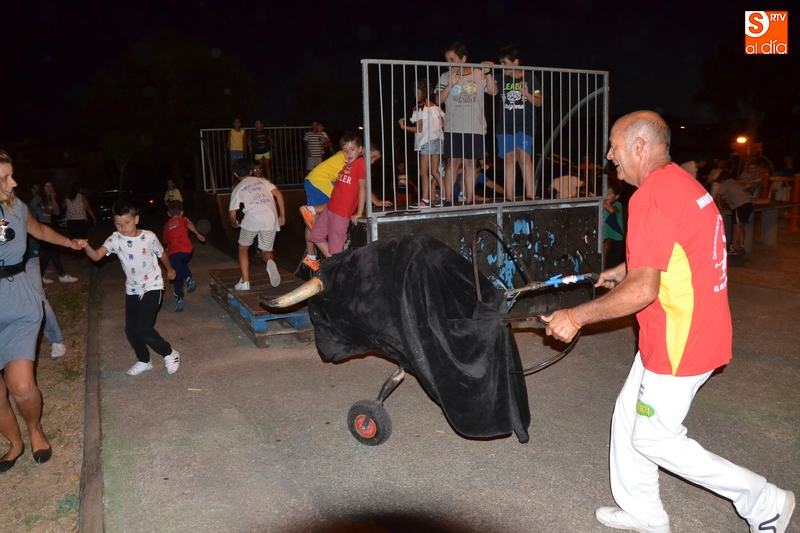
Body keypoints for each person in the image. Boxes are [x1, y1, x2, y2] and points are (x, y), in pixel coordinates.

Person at [542, 111, 794, 533]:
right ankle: (644, 512)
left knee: (654, 438)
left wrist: (575, 317)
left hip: (680, 340)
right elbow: (674, 249)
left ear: (639, 147)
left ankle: (764, 501)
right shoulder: (682, 183)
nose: (609, 156)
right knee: (627, 417)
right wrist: (626, 268)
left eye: (614, 146)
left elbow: (644, 290)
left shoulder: (650, 196)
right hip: (688, 329)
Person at [0, 150, 83, 472]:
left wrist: (68, 243)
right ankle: (14, 443)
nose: (13, 183)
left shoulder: (16, 207)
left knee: (21, 386)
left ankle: (35, 430)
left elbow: (40, 231)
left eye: (11, 175)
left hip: (18, 300)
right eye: (5, 178)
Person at [80, 200, 181, 376]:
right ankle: (144, 360)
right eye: (118, 223)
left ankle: (169, 353)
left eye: (127, 222)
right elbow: (96, 256)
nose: (123, 227)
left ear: (136, 219)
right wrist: (86, 245)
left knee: (143, 327)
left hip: (153, 285)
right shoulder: (115, 238)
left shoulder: (149, 237)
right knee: (131, 330)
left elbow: (162, 254)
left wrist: (170, 270)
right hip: (132, 289)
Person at [299, 147, 390, 271]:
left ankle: (311, 257)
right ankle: (311, 209)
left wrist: (375, 201)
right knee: (339, 199)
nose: (372, 162)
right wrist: (365, 207)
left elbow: (361, 185)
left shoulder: (349, 156)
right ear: (362, 149)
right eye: (372, 157)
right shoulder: (354, 160)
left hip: (312, 180)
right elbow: (362, 186)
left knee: (314, 222)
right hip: (321, 180)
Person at [435, 42, 497, 205]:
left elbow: (493, 92)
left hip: (475, 126)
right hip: (453, 126)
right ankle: (448, 198)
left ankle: (470, 198)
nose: (449, 63)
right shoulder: (445, 76)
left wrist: (488, 73)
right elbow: (438, 100)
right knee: (452, 162)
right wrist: (450, 85)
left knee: (470, 163)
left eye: (452, 59)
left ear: (463, 59)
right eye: (447, 60)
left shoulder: (479, 73)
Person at [21, 186, 67, 360]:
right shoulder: (34, 201)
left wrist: (68, 243)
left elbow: (41, 227)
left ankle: (56, 340)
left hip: (29, 257)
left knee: (39, 299)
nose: (13, 184)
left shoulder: (21, 206)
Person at [308, 133, 367, 259]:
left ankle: (336, 266)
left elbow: (363, 188)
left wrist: (359, 212)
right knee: (316, 236)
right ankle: (334, 264)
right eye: (345, 150)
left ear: (360, 149)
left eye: (352, 149)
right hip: (330, 208)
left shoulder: (360, 163)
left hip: (341, 212)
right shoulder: (347, 165)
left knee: (335, 249)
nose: (349, 153)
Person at [228, 160, 285, 290]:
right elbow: (278, 194)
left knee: (243, 248)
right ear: (250, 171)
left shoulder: (238, 188)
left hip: (253, 219)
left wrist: (234, 223)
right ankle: (269, 262)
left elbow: (232, 214)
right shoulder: (263, 181)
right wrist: (282, 215)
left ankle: (245, 282)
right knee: (266, 251)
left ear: (235, 174)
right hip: (270, 218)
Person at [495, 45, 542, 201]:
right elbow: (491, 91)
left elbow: (539, 102)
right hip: (505, 125)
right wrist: (487, 73)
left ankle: (530, 194)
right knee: (509, 158)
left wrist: (526, 94)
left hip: (525, 124)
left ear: (515, 62)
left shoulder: (530, 78)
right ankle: (509, 196)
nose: (502, 66)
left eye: (505, 63)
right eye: (500, 63)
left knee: (524, 157)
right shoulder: (500, 77)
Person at [398, 78, 445, 207]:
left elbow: (419, 128)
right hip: (438, 141)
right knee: (435, 171)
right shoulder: (437, 108)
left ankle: (425, 200)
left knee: (423, 172)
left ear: (420, 92)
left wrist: (404, 127)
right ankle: (445, 197)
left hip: (426, 141)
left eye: (415, 92)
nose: (415, 95)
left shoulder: (420, 109)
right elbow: (442, 125)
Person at [163, 200, 206, 312]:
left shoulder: (167, 225)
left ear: (168, 213)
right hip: (187, 251)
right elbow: (190, 225)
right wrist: (198, 234)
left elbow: (166, 240)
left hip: (174, 253)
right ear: (182, 212)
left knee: (177, 275)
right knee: (181, 265)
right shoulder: (183, 219)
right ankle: (189, 279)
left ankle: (180, 297)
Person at [30, 182, 77, 283]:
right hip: (40, 226)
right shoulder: (38, 198)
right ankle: (59, 275)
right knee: (49, 251)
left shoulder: (50, 199)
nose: (50, 188)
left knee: (52, 251)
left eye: (51, 186)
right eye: (47, 186)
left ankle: (48, 276)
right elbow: (28, 210)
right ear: (42, 188)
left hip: (49, 226)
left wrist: (53, 199)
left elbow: (57, 212)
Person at [715, 171, 753, 256]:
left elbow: (718, 195)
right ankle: (741, 246)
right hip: (748, 204)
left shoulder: (725, 183)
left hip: (740, 206)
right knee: (741, 227)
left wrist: (720, 206)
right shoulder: (735, 182)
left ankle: (733, 247)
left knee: (736, 227)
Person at [603, 184, 625, 269]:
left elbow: (612, 210)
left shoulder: (617, 204)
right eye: (606, 193)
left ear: (617, 196)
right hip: (607, 239)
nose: (607, 195)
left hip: (616, 239)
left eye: (610, 193)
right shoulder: (605, 205)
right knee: (607, 262)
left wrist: (600, 201)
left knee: (614, 264)